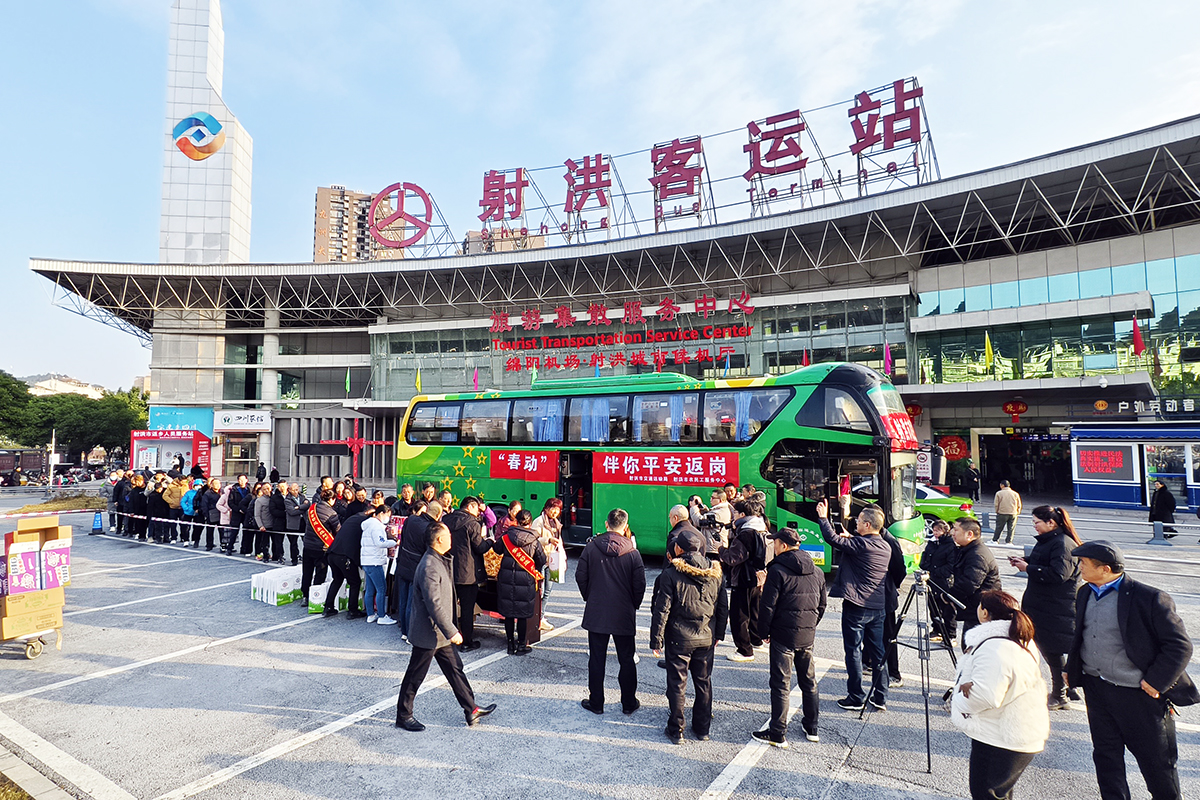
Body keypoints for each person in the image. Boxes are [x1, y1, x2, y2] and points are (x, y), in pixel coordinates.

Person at [1066, 540, 1198, 800]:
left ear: (1104, 568)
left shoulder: (1148, 597)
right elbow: (1081, 635)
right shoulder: (1085, 592)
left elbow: (1179, 646)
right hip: (1098, 688)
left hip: (1138, 694)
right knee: (1106, 756)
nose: (1078, 566)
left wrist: (1155, 682)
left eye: (1083, 563)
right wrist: (1073, 668)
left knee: (1156, 762)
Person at [395, 521, 496, 732]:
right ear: (439, 540)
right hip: (429, 632)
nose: (451, 538)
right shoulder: (429, 566)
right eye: (448, 534)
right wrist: (452, 631)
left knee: (455, 670)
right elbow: (434, 605)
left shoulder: (439, 559)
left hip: (440, 633)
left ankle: (471, 708)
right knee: (415, 676)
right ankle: (404, 716)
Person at [950, 590, 1050, 800]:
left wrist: (957, 701)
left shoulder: (995, 647)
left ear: (985, 613)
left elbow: (985, 696)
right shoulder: (1019, 637)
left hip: (1001, 737)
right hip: (1017, 731)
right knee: (998, 794)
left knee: (986, 793)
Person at [752, 526, 827, 748]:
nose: (773, 546)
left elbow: (767, 607)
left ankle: (778, 732)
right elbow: (822, 605)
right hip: (806, 634)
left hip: (783, 635)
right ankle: (812, 726)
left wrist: (763, 632)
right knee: (809, 681)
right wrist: (811, 624)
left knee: (780, 684)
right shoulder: (817, 571)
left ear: (783, 545)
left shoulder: (777, 571)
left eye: (775, 543)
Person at [650, 529, 726, 745]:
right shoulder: (716, 572)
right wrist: (719, 633)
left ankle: (676, 729)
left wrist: (657, 640)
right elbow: (722, 608)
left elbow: (662, 609)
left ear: (679, 549)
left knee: (677, 684)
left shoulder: (671, 574)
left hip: (679, 637)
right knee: (703, 682)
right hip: (706, 636)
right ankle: (703, 729)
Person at [817, 499, 892, 712]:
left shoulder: (860, 545)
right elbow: (861, 546)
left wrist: (823, 518)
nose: (856, 523)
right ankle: (880, 696)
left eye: (859, 521)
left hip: (857, 605)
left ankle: (856, 696)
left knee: (853, 652)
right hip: (878, 607)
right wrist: (852, 538)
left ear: (867, 525)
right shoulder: (883, 545)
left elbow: (831, 538)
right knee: (878, 652)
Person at [1007, 505, 1082, 710]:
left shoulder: (1063, 543)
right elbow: (1046, 562)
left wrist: (1028, 568)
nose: (1035, 527)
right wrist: (1026, 561)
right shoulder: (1051, 541)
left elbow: (1059, 574)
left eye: (1037, 523)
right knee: (1051, 649)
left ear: (1051, 523)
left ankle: (1061, 694)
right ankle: (1068, 686)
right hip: (1044, 605)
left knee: (1052, 650)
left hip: (1056, 607)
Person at [577, 508, 646, 714]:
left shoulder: (591, 548)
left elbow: (580, 576)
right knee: (626, 659)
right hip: (623, 612)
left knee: (597, 658)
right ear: (625, 527)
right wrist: (633, 603)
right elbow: (640, 585)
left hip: (597, 610)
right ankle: (628, 703)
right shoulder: (633, 553)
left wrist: (590, 596)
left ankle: (596, 702)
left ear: (606, 524)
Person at [492, 509, 546, 655]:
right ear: (530, 522)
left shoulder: (506, 536)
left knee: (509, 614)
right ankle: (521, 645)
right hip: (526, 580)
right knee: (522, 615)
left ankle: (510, 645)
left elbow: (496, 550)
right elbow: (542, 559)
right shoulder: (534, 540)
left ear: (516, 520)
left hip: (506, 579)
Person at [720, 499, 768, 662]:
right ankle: (756, 640)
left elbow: (733, 558)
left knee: (739, 615)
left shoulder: (746, 533)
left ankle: (744, 650)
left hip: (743, 578)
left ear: (742, 515)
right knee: (754, 611)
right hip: (757, 576)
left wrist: (721, 549)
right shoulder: (761, 527)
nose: (732, 517)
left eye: (734, 513)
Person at [443, 497, 491, 651]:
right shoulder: (472, 524)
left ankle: (448, 638)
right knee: (467, 609)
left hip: (449, 569)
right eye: (477, 509)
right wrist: (489, 541)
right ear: (470, 507)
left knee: (449, 606)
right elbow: (480, 547)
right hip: (467, 574)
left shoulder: (446, 519)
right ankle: (467, 642)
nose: (478, 512)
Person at [949, 517, 1002, 643]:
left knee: (973, 647)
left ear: (969, 534)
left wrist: (948, 596)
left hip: (982, 610)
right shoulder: (969, 549)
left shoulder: (978, 555)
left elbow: (969, 584)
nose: (952, 533)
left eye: (956, 529)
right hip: (975, 608)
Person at [396, 501, 442, 640]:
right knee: (412, 602)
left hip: (403, 562)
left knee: (402, 601)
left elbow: (402, 539)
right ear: (438, 514)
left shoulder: (411, 519)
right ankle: (410, 634)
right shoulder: (430, 529)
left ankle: (404, 631)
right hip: (415, 567)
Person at [324, 506, 369, 619]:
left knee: (337, 580)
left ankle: (328, 607)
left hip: (332, 553)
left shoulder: (353, 518)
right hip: (344, 557)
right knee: (355, 582)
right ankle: (353, 610)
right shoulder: (366, 522)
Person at [920, 519, 958, 644]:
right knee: (933, 606)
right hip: (931, 580)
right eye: (934, 530)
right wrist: (926, 568)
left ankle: (950, 633)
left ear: (945, 531)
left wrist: (935, 571)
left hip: (944, 582)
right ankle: (937, 629)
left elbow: (950, 565)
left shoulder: (950, 545)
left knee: (947, 609)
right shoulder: (932, 543)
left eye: (938, 530)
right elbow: (925, 557)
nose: (935, 533)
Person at [300, 489, 339, 605]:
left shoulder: (312, 508)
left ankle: (305, 596)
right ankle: (315, 595)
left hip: (307, 545)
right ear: (332, 499)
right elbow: (338, 530)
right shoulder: (331, 513)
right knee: (320, 572)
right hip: (321, 547)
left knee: (307, 572)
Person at [531, 497, 564, 633]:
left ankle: (541, 616)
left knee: (549, 590)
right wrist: (548, 540)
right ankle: (537, 617)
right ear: (546, 508)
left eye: (558, 510)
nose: (555, 512)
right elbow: (533, 539)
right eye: (553, 509)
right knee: (541, 590)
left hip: (554, 558)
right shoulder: (539, 521)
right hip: (541, 559)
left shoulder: (556, 522)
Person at [361, 504, 397, 625]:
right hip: (375, 561)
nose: (388, 518)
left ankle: (371, 614)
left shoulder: (368, 524)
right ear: (381, 513)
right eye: (388, 515)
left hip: (367, 560)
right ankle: (382, 615)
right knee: (381, 588)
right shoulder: (376, 526)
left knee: (370, 589)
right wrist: (394, 542)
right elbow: (380, 542)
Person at [198, 478, 221, 551]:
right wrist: (206, 515)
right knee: (210, 531)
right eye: (215, 484)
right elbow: (204, 505)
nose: (217, 485)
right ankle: (209, 545)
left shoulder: (222, 493)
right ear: (211, 485)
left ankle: (223, 545)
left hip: (221, 514)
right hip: (211, 514)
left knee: (222, 531)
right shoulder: (207, 493)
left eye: (218, 484)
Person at [283, 483, 304, 565]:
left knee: (305, 542)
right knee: (293, 543)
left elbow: (308, 505)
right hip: (293, 523)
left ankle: (305, 558)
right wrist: (302, 508)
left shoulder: (302, 497)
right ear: (290, 490)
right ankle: (294, 559)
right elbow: (291, 511)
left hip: (303, 522)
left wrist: (299, 507)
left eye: (297, 489)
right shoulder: (287, 499)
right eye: (294, 490)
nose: (296, 491)